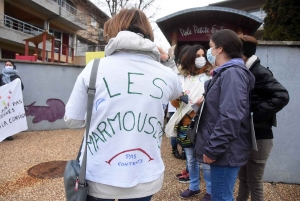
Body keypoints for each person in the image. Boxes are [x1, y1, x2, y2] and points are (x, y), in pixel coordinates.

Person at [64, 8, 182, 201]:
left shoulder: (94, 68)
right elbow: (178, 90)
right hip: (145, 175)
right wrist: (168, 62)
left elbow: (73, 121)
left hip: (99, 176)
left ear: (114, 31)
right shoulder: (166, 74)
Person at [194, 29, 255, 201]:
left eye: (211, 47)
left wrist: (213, 148)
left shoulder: (232, 73)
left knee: (221, 197)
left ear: (220, 49)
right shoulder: (227, 72)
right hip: (225, 150)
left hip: (225, 151)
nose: (209, 52)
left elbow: (230, 116)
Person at [236, 35, 289, 201]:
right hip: (247, 136)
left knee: (255, 182)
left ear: (241, 53)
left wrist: (254, 113)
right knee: (243, 179)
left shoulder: (259, 72)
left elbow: (282, 95)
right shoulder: (246, 71)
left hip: (260, 138)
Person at [165, 44, 213, 199]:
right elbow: (174, 103)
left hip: (203, 125)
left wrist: (205, 99)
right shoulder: (182, 79)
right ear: (191, 59)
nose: (201, 59)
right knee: (190, 160)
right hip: (185, 125)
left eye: (202, 55)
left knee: (205, 162)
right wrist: (178, 98)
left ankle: (210, 191)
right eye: (197, 56)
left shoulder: (211, 77)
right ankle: (194, 186)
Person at [0, 60, 24, 141]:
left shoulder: (16, 78)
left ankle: (8, 134)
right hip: (1, 100)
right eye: (6, 64)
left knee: (9, 116)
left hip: (11, 101)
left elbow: (21, 88)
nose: (7, 66)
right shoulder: (1, 76)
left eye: (9, 64)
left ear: (13, 66)